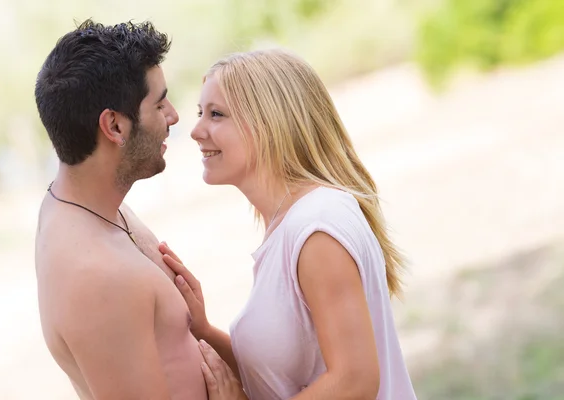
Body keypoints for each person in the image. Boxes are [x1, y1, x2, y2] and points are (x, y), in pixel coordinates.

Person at [160, 49, 418, 399]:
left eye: (216, 114)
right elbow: (277, 376)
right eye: (200, 113)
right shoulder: (294, 223)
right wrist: (203, 329)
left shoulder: (317, 228)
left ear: (269, 123)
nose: (196, 131)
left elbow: (355, 380)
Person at [34, 19, 209, 400]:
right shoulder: (97, 276)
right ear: (114, 125)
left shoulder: (88, 205)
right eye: (159, 103)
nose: (174, 116)